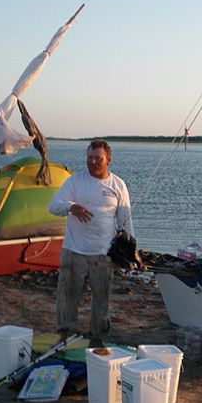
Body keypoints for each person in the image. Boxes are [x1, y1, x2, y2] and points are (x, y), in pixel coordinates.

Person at [49, 139, 133, 347]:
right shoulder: (75, 181)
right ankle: (65, 333)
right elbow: (54, 206)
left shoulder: (118, 185)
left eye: (98, 158)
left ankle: (98, 336)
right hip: (74, 250)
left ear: (108, 161)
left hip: (103, 254)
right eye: (89, 158)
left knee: (101, 297)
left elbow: (125, 219)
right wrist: (71, 206)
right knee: (68, 294)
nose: (93, 162)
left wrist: (131, 252)